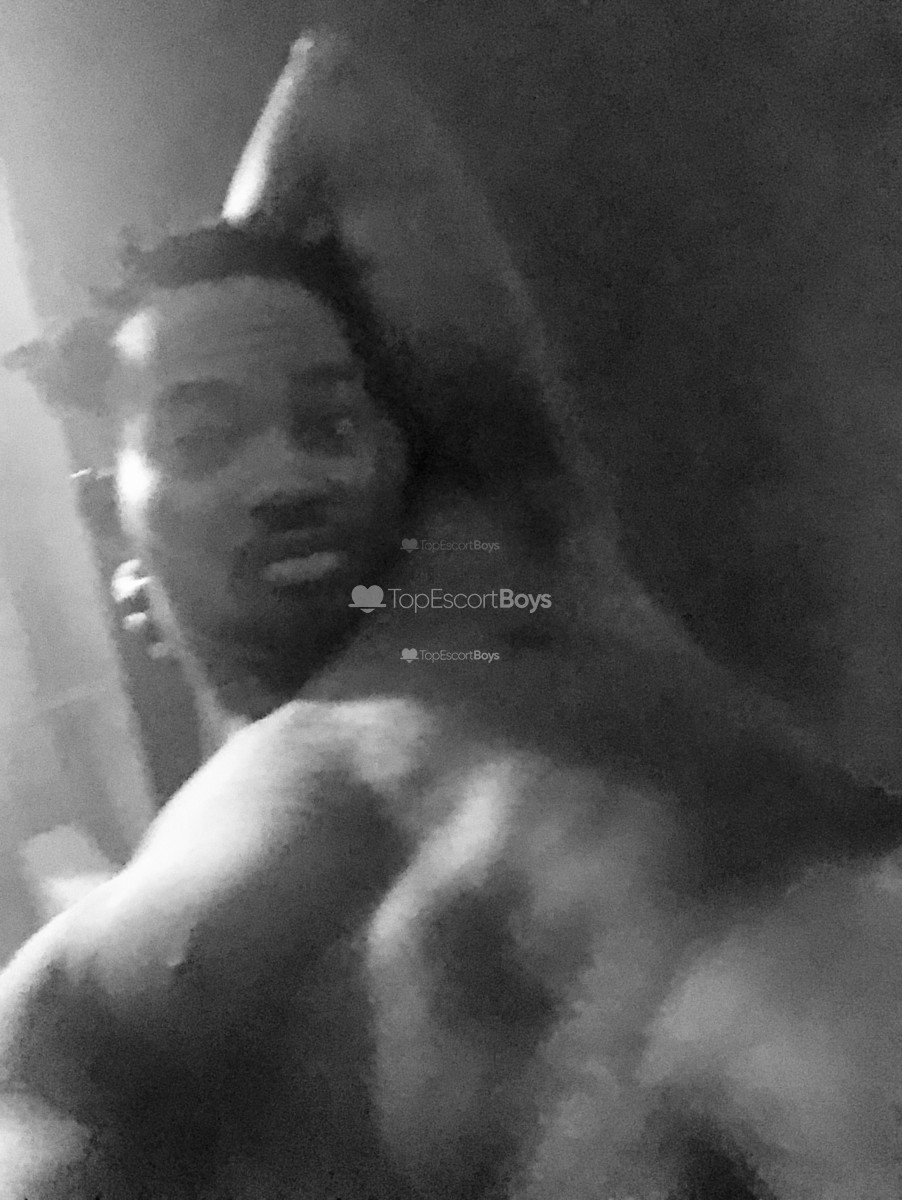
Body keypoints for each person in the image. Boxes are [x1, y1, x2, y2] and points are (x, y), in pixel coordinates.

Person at [3, 28, 902, 1200]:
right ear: (111, 527)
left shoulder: (491, 569)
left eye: (328, 423)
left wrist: (219, 287)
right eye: (203, 437)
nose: (286, 476)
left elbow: (334, 91)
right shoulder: (89, 974)